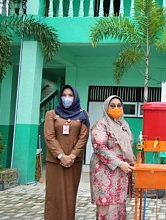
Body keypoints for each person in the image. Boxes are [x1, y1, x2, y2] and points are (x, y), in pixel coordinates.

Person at [44, 84, 90, 220]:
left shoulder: (83, 115)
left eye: (70, 95)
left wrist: (72, 156)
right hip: (54, 162)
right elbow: (49, 136)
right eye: (64, 95)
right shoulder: (51, 114)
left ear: (75, 97)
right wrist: (61, 156)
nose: (67, 98)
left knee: (70, 196)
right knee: (54, 195)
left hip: (74, 162)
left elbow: (83, 137)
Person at [90, 95, 135, 220]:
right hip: (105, 172)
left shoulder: (123, 125)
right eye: (112, 106)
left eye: (119, 106)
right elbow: (99, 147)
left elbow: (127, 146)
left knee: (119, 205)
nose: (116, 108)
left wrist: (132, 160)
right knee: (107, 205)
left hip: (121, 173)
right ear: (106, 107)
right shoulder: (101, 125)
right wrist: (119, 163)